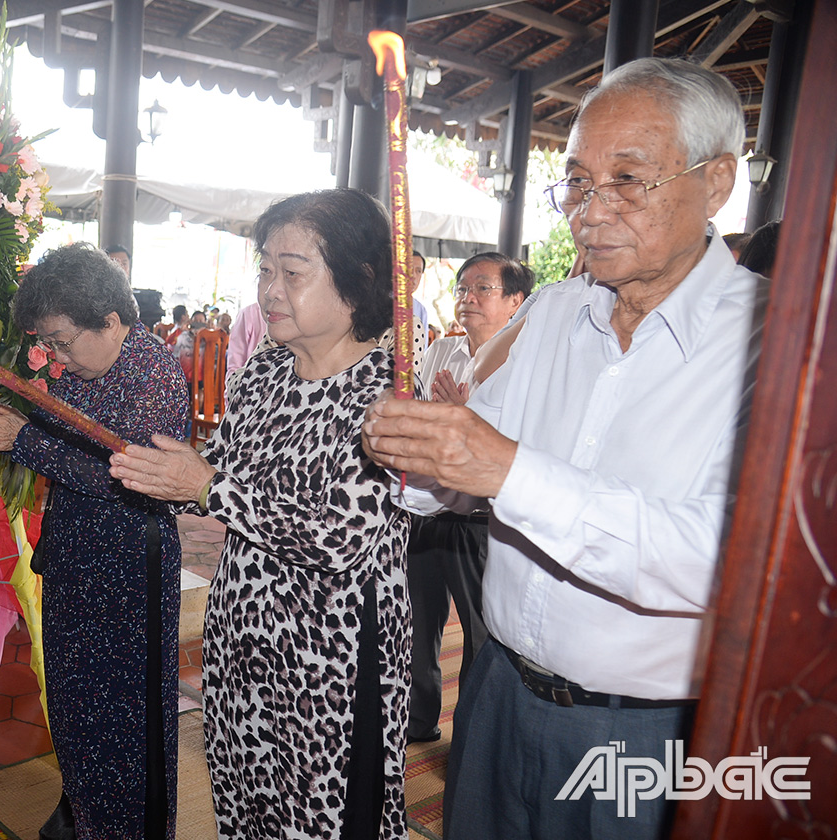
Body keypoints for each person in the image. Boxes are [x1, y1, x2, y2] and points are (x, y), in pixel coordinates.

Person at [361, 57, 761, 839]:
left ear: (716, 184)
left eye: (627, 179)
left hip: (646, 733)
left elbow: (725, 560)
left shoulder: (776, 339)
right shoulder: (553, 313)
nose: (590, 211)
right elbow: (469, 479)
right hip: (495, 692)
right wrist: (414, 456)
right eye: (577, 182)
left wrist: (506, 469)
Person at [110, 189, 413, 838]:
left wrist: (206, 487)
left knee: (321, 821)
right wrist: (159, 473)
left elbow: (337, 537)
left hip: (329, 659)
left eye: (293, 272)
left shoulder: (390, 393)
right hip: (241, 639)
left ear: (359, 282)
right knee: (244, 809)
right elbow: (220, 472)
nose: (270, 290)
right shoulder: (265, 373)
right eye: (265, 269)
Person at [0, 243, 187, 839]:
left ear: (110, 320)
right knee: (76, 710)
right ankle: (84, 815)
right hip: (75, 557)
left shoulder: (152, 372)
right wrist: (11, 421)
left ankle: (124, 828)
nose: (56, 356)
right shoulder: (85, 366)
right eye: (49, 343)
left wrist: (24, 440)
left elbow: (136, 484)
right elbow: (63, 439)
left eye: (63, 340)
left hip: (128, 565)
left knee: (125, 723)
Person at [403, 253, 530, 747]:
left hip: (481, 519)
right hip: (429, 506)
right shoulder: (441, 352)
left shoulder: (525, 364)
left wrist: (462, 420)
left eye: (482, 289)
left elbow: (513, 442)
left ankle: (475, 738)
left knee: (482, 633)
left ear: (516, 302)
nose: (467, 299)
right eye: (461, 289)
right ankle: (416, 720)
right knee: (416, 619)